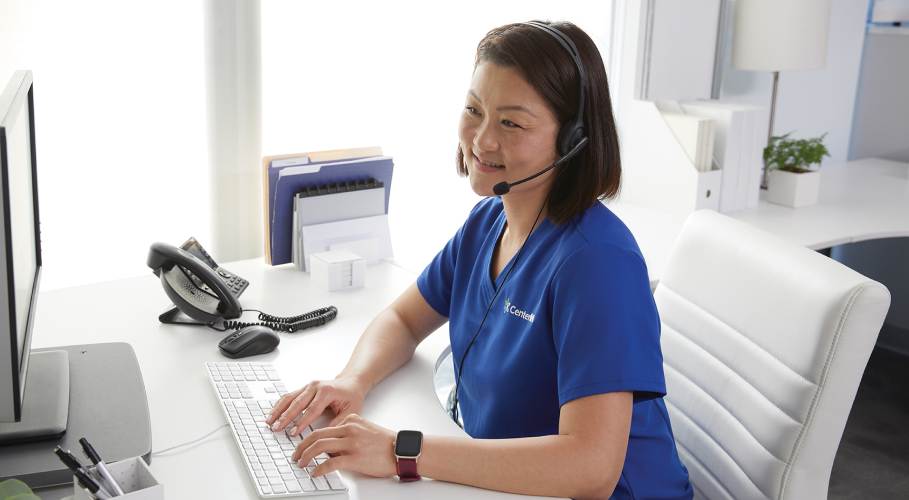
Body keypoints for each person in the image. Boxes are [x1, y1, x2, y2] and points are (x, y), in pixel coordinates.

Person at [265, 20, 693, 500]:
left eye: (511, 122)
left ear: (572, 140)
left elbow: (591, 468)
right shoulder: (489, 221)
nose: (483, 140)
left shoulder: (597, 263)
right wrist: (352, 380)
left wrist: (399, 451)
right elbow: (404, 320)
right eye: (474, 110)